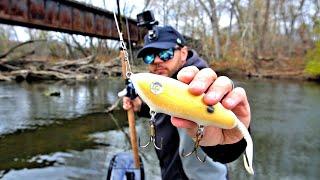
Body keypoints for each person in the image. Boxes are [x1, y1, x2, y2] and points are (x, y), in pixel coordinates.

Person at [123, 26, 251, 179]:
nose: (156, 61)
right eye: (149, 57)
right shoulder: (163, 87)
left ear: (183, 53)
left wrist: (233, 139)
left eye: (165, 54)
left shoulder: (204, 86)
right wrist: (140, 106)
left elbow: (224, 152)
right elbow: (166, 112)